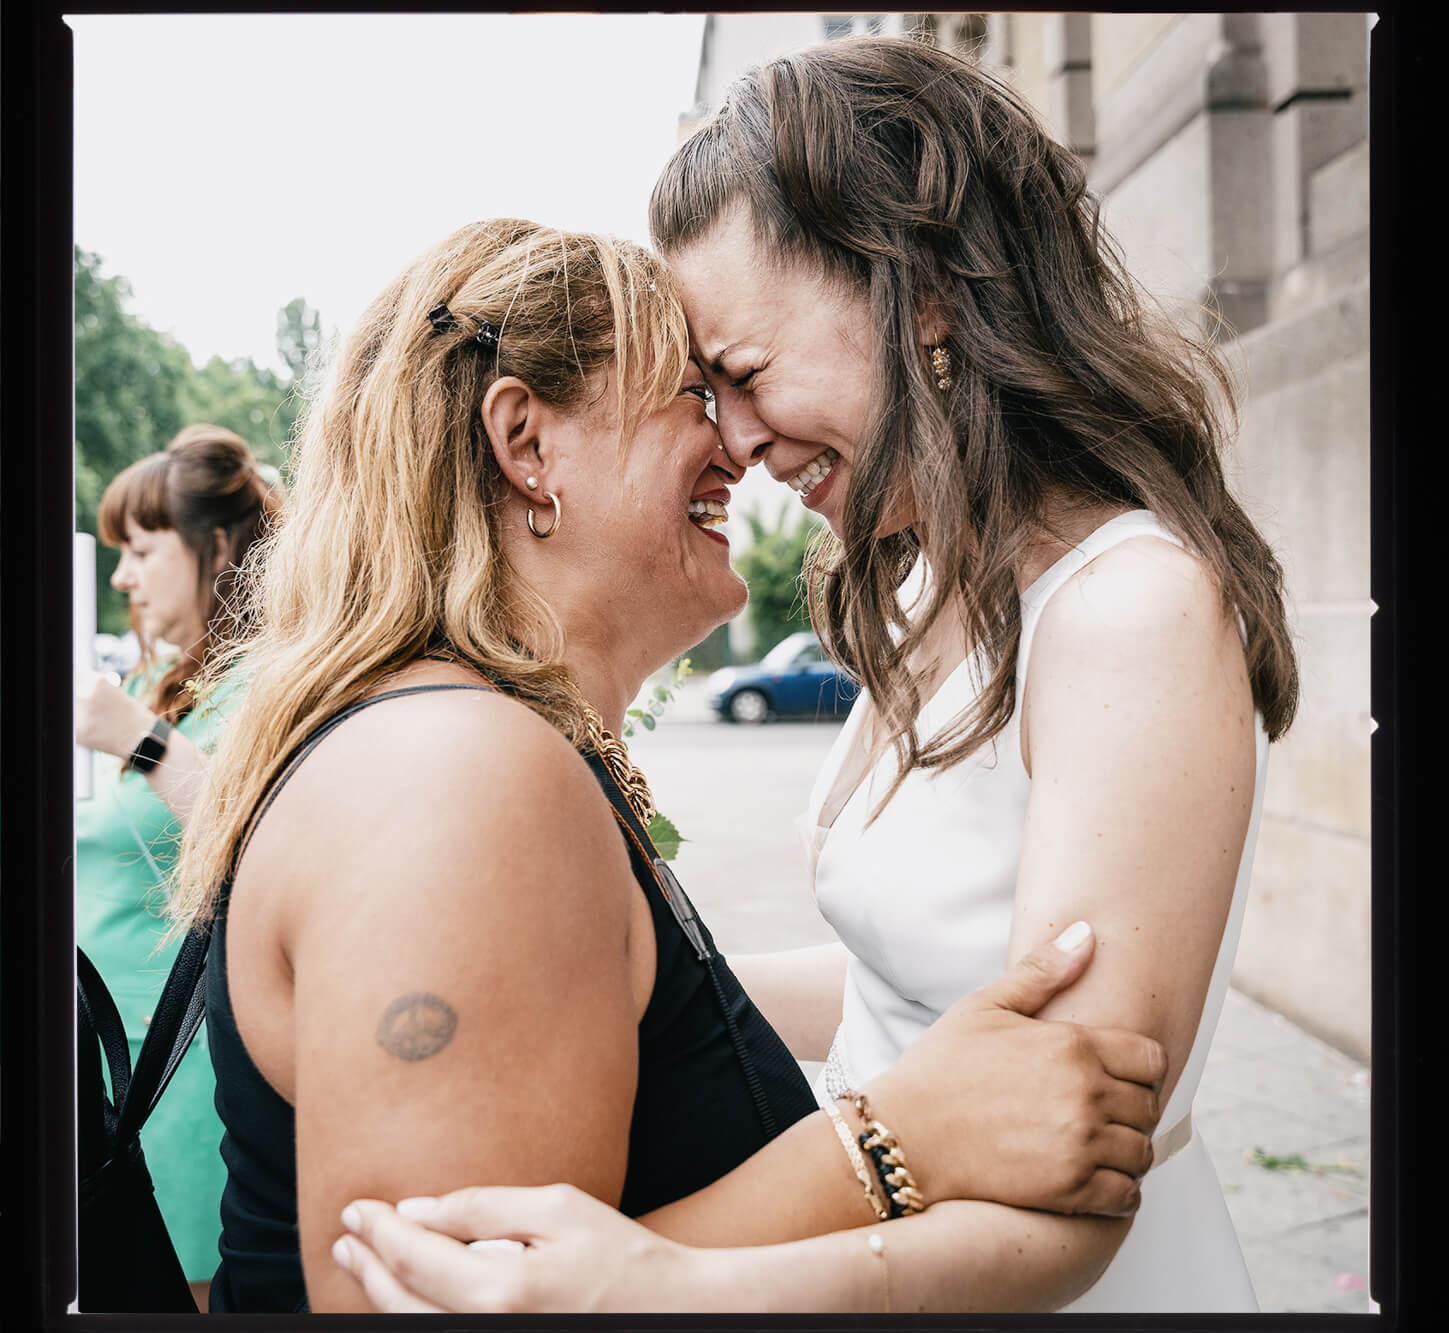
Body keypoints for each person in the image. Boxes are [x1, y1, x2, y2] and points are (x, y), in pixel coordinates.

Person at [332, 35, 1298, 1314]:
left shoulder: (1132, 611)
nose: (731, 441)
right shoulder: (924, 580)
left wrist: (664, 1286)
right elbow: (926, 987)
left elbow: (1073, 1164)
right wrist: (627, 991)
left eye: (743, 374)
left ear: (928, 295)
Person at [165, 217, 1167, 1314]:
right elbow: (439, 1296)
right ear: (527, 443)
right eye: (696, 393)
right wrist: (893, 1140)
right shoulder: (456, 773)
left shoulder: (472, 742)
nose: (740, 443)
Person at [74, 424, 283, 1308]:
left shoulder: (260, 686)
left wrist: (142, 740)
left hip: (175, 1078)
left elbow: (254, 846)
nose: (122, 577)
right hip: (110, 1066)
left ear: (218, 545)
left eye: (141, 549)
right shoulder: (167, 680)